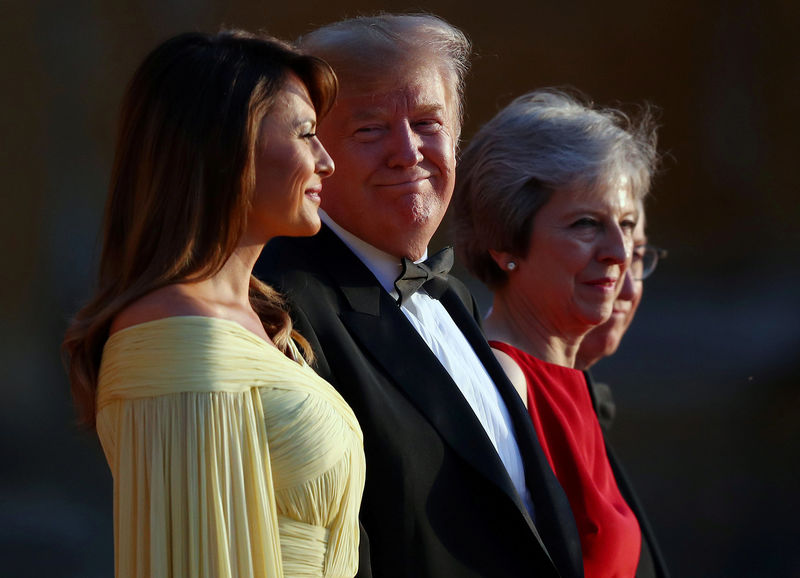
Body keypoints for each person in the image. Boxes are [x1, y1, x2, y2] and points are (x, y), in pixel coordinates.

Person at [256, 14, 583, 578]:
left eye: (428, 123)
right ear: (316, 153)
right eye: (369, 129)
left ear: (456, 138)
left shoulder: (451, 293)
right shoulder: (284, 306)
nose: (408, 152)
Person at [61, 30, 365, 578]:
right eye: (306, 135)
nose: (327, 162)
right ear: (226, 146)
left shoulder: (255, 324)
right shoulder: (178, 333)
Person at [453, 89, 667, 578]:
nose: (618, 250)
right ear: (507, 240)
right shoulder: (500, 380)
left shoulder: (577, 385)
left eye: (628, 226)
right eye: (587, 224)